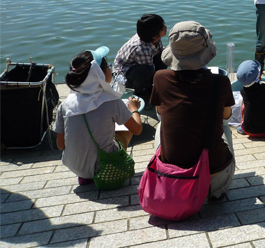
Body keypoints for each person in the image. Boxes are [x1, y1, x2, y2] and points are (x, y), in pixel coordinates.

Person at [151, 21, 236, 199]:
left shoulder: (160, 78)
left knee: (160, 125)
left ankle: (171, 176)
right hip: (214, 175)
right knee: (225, 124)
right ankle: (215, 194)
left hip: (175, 177)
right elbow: (227, 115)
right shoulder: (220, 82)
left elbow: (160, 110)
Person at [54, 46, 143, 185]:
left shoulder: (65, 105)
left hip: (75, 167)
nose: (110, 69)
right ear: (99, 74)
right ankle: (105, 168)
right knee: (125, 129)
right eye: (108, 66)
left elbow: (60, 145)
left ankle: (86, 175)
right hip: (104, 167)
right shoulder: (110, 101)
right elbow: (137, 129)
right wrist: (134, 109)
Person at [112, 14, 168, 103]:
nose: (165, 27)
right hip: (127, 74)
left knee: (167, 54)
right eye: (162, 27)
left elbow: (161, 51)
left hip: (142, 63)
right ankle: (141, 91)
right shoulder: (140, 49)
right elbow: (150, 68)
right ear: (155, 35)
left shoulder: (152, 37)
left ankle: (152, 84)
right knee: (147, 70)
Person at [236, 60, 265, 137]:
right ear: (260, 77)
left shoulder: (243, 90)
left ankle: (242, 126)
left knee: (245, 102)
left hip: (248, 130)